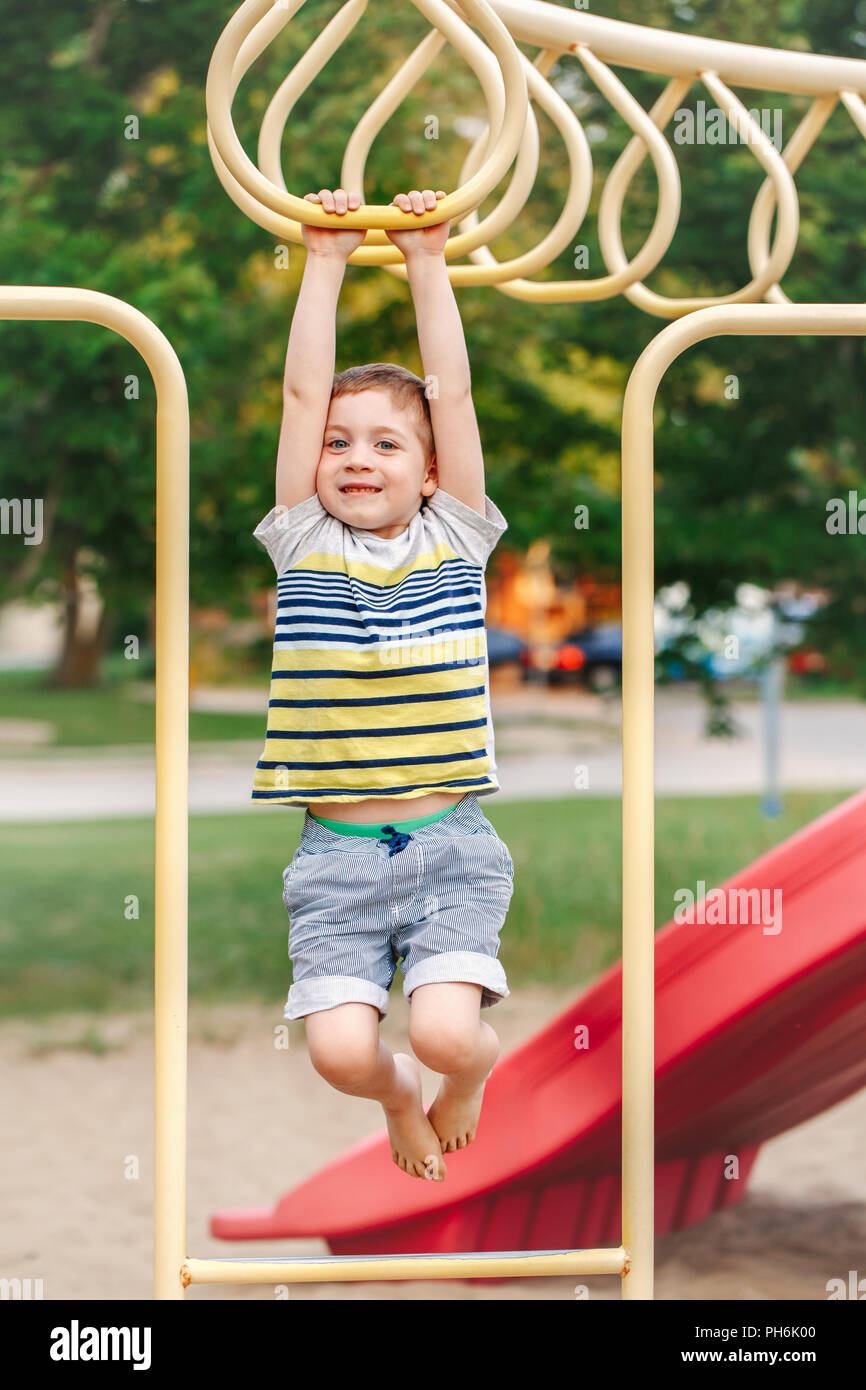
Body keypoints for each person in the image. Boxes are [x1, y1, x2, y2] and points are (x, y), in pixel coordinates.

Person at [251, 186, 514, 1181]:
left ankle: (457, 1077)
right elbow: (295, 396)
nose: (355, 456)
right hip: (333, 864)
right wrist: (322, 260)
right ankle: (397, 1095)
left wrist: (425, 260)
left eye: (385, 442)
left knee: (449, 1034)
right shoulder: (301, 539)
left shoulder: (457, 534)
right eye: (338, 440)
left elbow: (452, 391)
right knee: (340, 1054)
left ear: (432, 469)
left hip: (447, 849)